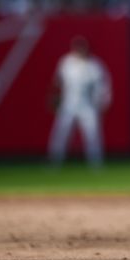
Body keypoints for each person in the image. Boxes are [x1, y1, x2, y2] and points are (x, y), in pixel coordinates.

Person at [47, 36, 111, 168]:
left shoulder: (95, 65)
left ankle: (96, 164)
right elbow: (58, 82)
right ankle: (54, 163)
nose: (80, 50)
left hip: (88, 105)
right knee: (61, 133)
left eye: (83, 48)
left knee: (92, 134)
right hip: (68, 103)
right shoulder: (66, 62)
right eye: (78, 48)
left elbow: (103, 86)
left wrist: (103, 101)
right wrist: (54, 97)